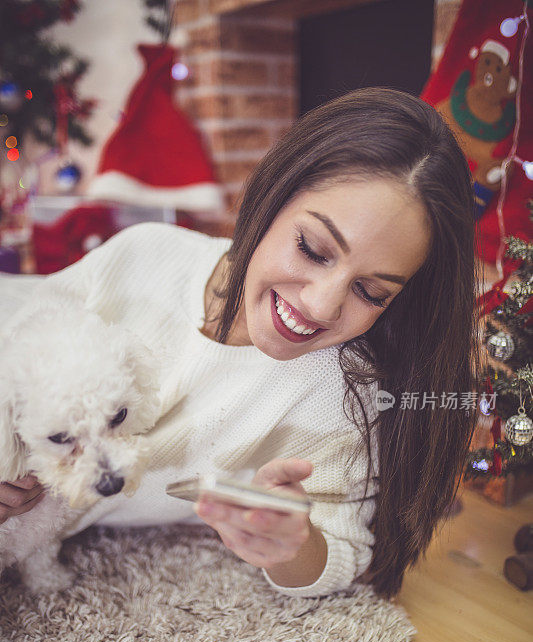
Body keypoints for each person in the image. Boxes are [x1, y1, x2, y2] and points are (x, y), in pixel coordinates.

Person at [0, 87, 482, 599]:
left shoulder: (338, 391)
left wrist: (290, 544)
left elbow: (344, 551)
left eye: (371, 292)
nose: (320, 307)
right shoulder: (143, 255)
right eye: (312, 249)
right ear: (271, 198)